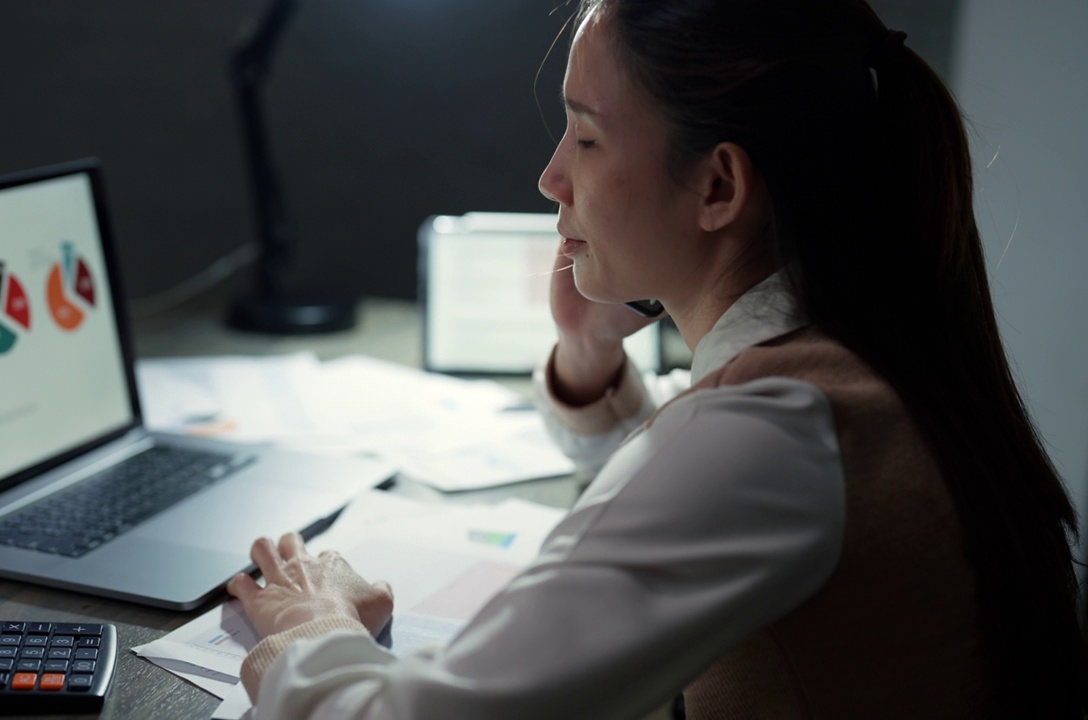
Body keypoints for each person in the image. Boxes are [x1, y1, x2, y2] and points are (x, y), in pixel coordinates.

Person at [225, 0, 1088, 717]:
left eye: (586, 137)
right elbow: (695, 501)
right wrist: (588, 349)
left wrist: (311, 627)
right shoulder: (859, 351)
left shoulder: (775, 433)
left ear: (719, 186)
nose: (551, 177)